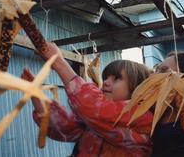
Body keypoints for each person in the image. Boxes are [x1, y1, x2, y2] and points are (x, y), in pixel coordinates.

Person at [21, 42, 153, 157]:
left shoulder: (141, 117)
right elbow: (66, 129)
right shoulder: (97, 122)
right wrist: (37, 96)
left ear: (137, 87)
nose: (106, 82)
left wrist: (59, 62)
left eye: (117, 78)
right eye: (106, 77)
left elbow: (96, 110)